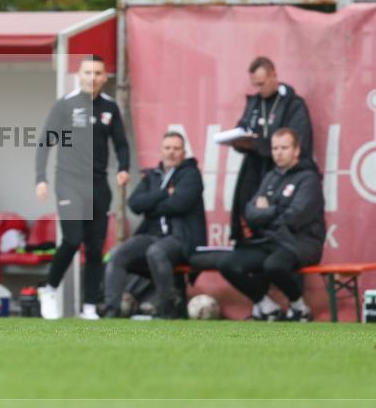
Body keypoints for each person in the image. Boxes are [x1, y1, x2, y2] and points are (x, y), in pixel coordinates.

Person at [35, 55, 129, 320]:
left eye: (98, 73)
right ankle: (49, 289)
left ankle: (89, 306)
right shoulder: (66, 104)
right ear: (79, 74)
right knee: (73, 240)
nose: (92, 77)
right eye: (87, 72)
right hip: (68, 182)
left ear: (104, 77)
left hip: (98, 184)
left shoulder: (110, 108)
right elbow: (45, 142)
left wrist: (123, 167)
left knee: (96, 247)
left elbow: (121, 143)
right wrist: (40, 178)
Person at [218, 128, 325, 321]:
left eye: (284, 147)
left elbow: (295, 217)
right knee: (228, 265)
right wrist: (275, 210)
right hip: (271, 240)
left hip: (301, 241)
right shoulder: (270, 177)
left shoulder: (309, 179)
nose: (278, 152)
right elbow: (250, 213)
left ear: (296, 150)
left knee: (273, 266)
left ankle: (299, 306)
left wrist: (268, 210)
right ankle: (267, 307)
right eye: (275, 148)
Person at [103, 132, 206, 319]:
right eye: (167, 148)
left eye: (176, 148)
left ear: (184, 152)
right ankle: (111, 310)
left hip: (180, 238)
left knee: (156, 252)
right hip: (152, 235)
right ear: (160, 152)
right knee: (119, 254)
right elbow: (134, 203)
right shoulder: (152, 176)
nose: (171, 153)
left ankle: (168, 311)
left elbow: (179, 204)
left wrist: (150, 207)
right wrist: (164, 193)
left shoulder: (191, 174)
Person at [231, 57, 313, 244]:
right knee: (248, 209)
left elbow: (297, 139)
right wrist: (239, 140)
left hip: (281, 173)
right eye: (255, 85)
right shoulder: (254, 104)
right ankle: (249, 246)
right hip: (254, 168)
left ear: (274, 75)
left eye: (261, 83)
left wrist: (261, 144)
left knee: (274, 215)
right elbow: (243, 127)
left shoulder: (293, 104)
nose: (258, 89)